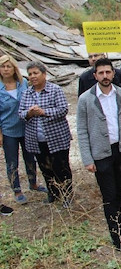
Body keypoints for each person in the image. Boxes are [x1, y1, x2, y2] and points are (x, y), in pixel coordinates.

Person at [77, 58, 121, 252]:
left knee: (119, 192)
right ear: (95, 75)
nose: (105, 76)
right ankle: (116, 236)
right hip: (101, 153)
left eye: (108, 72)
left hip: (120, 150)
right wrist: (87, 158)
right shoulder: (86, 99)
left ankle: (120, 226)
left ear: (113, 74)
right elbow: (82, 131)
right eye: (101, 73)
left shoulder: (120, 93)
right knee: (109, 195)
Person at [19, 62, 73, 206]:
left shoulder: (55, 90)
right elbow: (21, 113)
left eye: (35, 73)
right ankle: (53, 193)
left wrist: (44, 112)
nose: (32, 77)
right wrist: (29, 113)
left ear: (44, 74)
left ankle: (67, 194)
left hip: (57, 138)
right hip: (37, 139)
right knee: (45, 168)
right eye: (30, 74)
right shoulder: (26, 93)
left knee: (61, 167)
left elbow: (62, 110)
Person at [1, 55, 43, 205]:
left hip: (27, 128)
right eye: (2, 66)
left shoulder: (23, 83)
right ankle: (17, 189)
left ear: (14, 68)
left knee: (30, 157)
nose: (6, 69)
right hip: (8, 130)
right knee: (12, 161)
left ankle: (33, 183)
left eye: (8, 66)